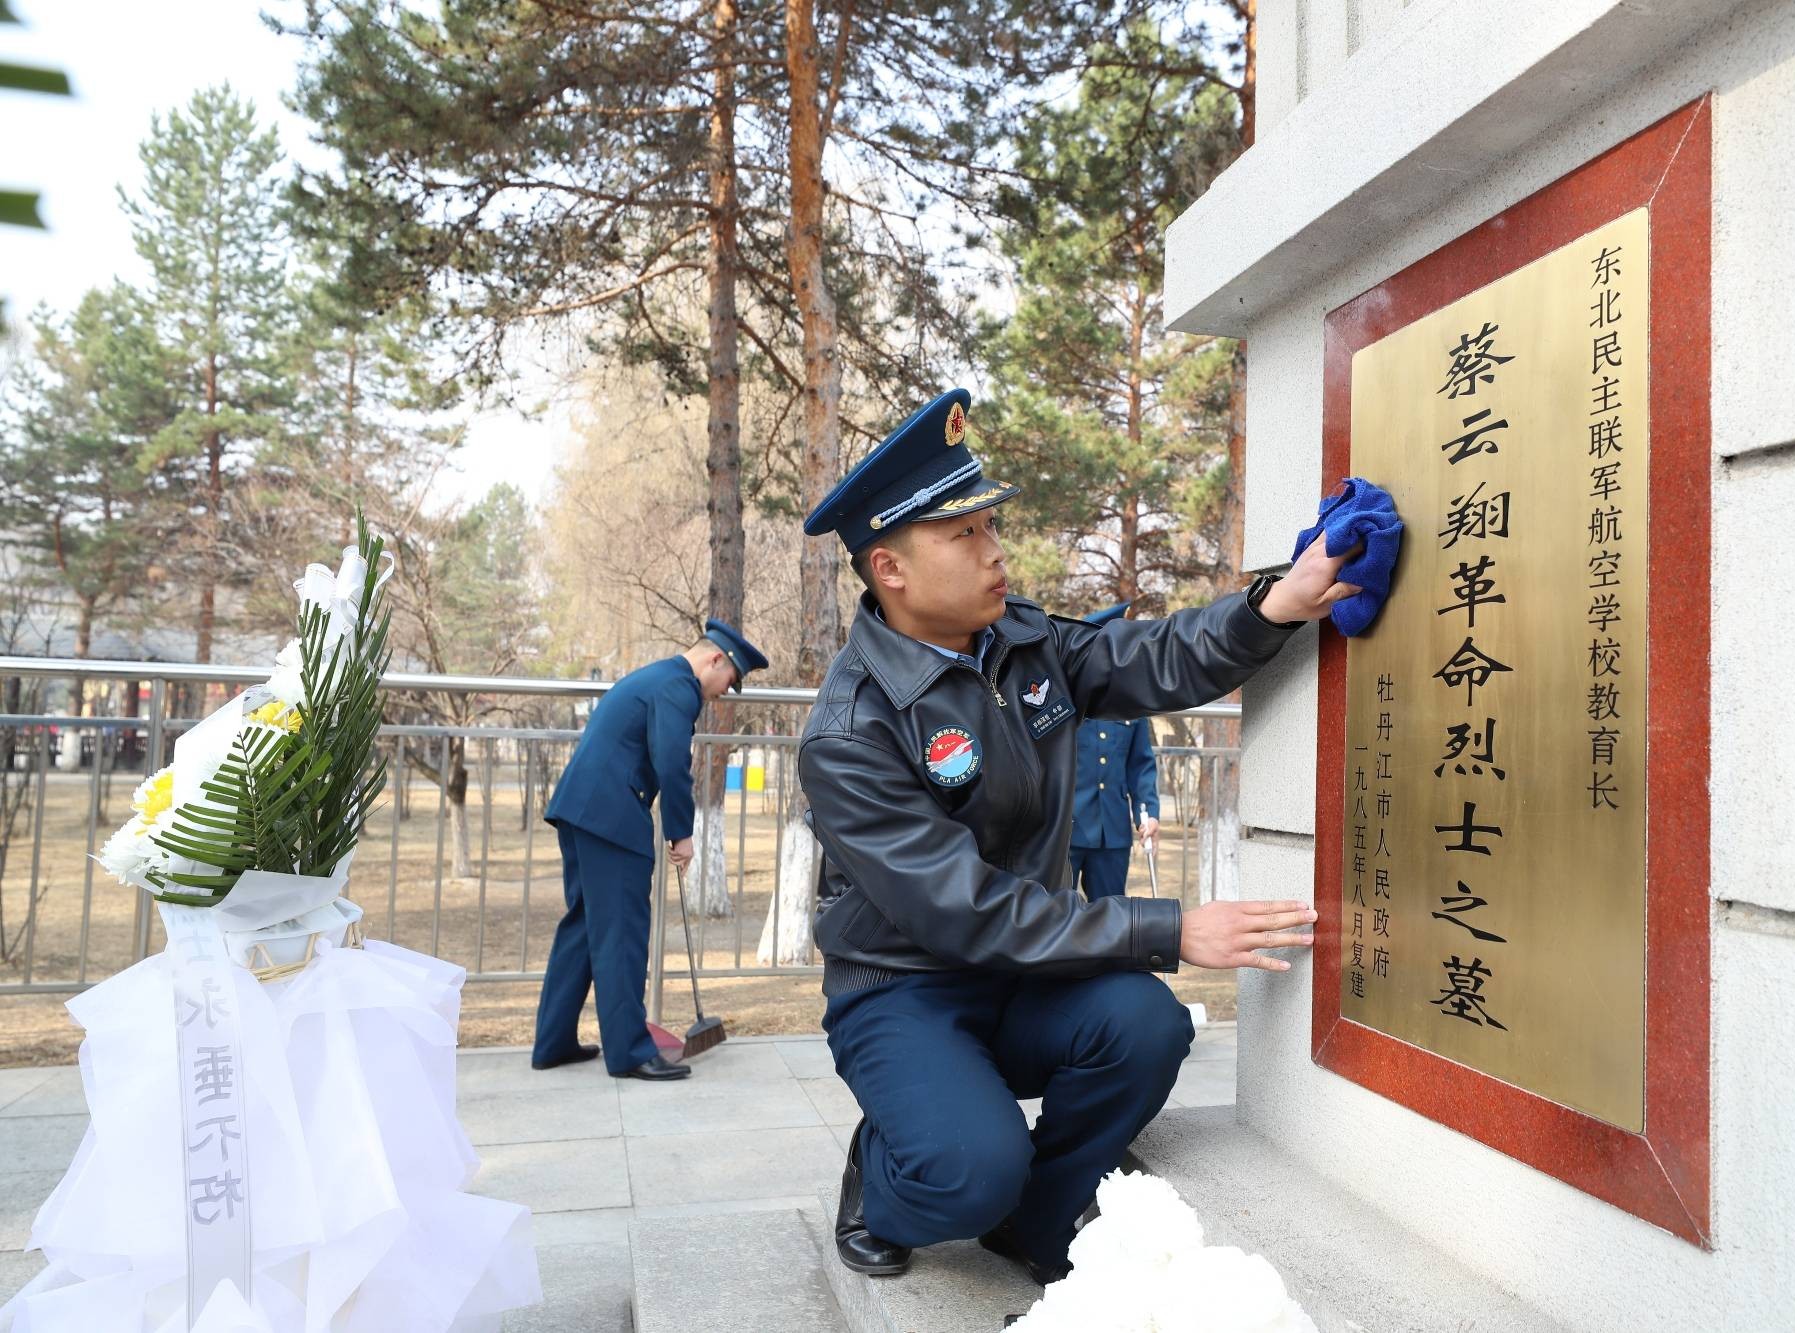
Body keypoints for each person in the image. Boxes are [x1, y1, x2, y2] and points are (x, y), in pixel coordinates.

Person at [796, 387, 1375, 1293]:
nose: (997, 553)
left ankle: (1036, 1216)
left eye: (992, 527)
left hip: (1022, 975)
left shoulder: (1018, 643)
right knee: (966, 1171)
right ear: (891, 568)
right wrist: (1169, 928)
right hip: (906, 988)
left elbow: (1150, 659)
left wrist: (1275, 607)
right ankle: (886, 1174)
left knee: (1145, 1024)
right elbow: (963, 911)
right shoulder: (851, 730)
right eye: (967, 537)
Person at [532, 619, 768, 1081]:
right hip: (611, 819)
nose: (724, 694)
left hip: (583, 811)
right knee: (621, 935)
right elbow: (671, 760)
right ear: (715, 659)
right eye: (730, 682)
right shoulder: (679, 688)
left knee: (583, 928)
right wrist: (682, 832)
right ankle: (630, 1053)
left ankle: (553, 1041)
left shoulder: (656, 677)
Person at [1068, 602, 1161, 902]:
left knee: (1111, 915)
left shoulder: (1130, 703)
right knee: (1054, 917)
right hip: (1066, 831)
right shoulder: (1061, 699)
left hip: (1112, 831)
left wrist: (1148, 812)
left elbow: (1140, 765)